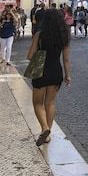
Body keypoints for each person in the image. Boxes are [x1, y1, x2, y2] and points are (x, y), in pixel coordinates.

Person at [27, 8, 71, 146]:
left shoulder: (39, 35)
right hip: (55, 70)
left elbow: (30, 56)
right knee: (50, 103)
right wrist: (67, 75)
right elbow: (66, 59)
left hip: (40, 71)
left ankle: (44, 128)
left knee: (37, 103)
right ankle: (47, 134)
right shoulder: (64, 37)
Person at [0, 6, 17, 71]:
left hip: (10, 36)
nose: (8, 16)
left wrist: (11, 12)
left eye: (9, 15)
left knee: (9, 47)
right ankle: (3, 58)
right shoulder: (3, 20)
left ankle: (8, 60)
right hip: (3, 35)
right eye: (7, 15)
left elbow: (16, 20)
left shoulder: (12, 21)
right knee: (3, 48)